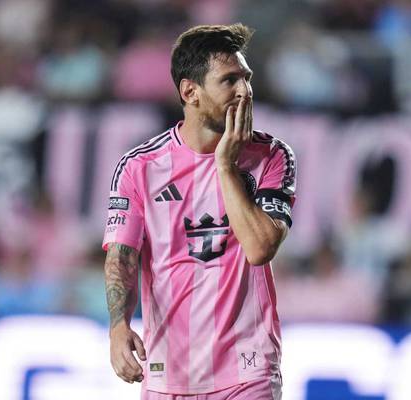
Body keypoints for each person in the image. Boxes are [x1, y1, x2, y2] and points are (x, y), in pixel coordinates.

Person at [102, 23, 296, 400]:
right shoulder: (139, 168)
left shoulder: (272, 156)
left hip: (248, 371)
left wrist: (225, 165)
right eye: (229, 80)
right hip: (167, 373)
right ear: (190, 91)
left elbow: (260, 248)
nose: (245, 91)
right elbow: (122, 256)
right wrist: (118, 326)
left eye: (246, 78)